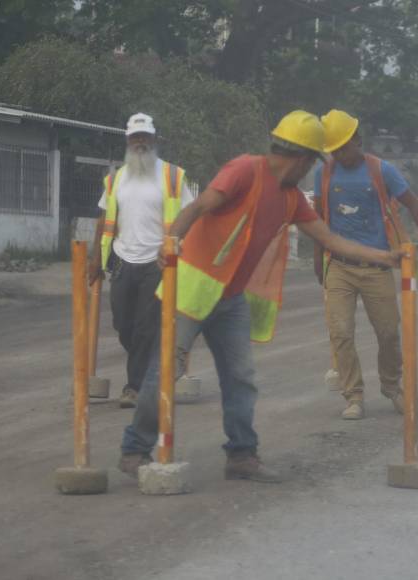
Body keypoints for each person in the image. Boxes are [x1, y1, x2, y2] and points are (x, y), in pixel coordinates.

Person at [119, 110, 402, 483]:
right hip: (191, 289)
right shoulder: (244, 170)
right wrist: (171, 240)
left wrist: (385, 257)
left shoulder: (291, 198)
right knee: (164, 372)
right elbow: (199, 206)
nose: (310, 169)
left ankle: (242, 455)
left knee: (241, 376)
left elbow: (331, 240)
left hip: (231, 299)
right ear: (302, 158)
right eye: (312, 161)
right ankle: (134, 450)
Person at [313, 110, 418, 420]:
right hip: (339, 267)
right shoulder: (324, 174)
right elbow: (318, 220)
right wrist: (318, 261)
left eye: (344, 148)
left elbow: (414, 206)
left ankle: (392, 386)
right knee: (341, 333)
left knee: (388, 333)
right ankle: (353, 395)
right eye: (334, 150)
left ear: (357, 140)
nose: (339, 155)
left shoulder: (382, 170)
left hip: (377, 266)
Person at [89, 113, 194, 408]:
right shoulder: (116, 179)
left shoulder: (172, 176)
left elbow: (190, 215)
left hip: (157, 262)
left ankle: (134, 387)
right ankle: (156, 365)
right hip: (123, 260)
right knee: (123, 324)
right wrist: (95, 259)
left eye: (145, 137)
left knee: (145, 326)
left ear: (154, 139)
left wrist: (181, 249)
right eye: (135, 138)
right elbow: (103, 219)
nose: (140, 143)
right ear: (127, 141)